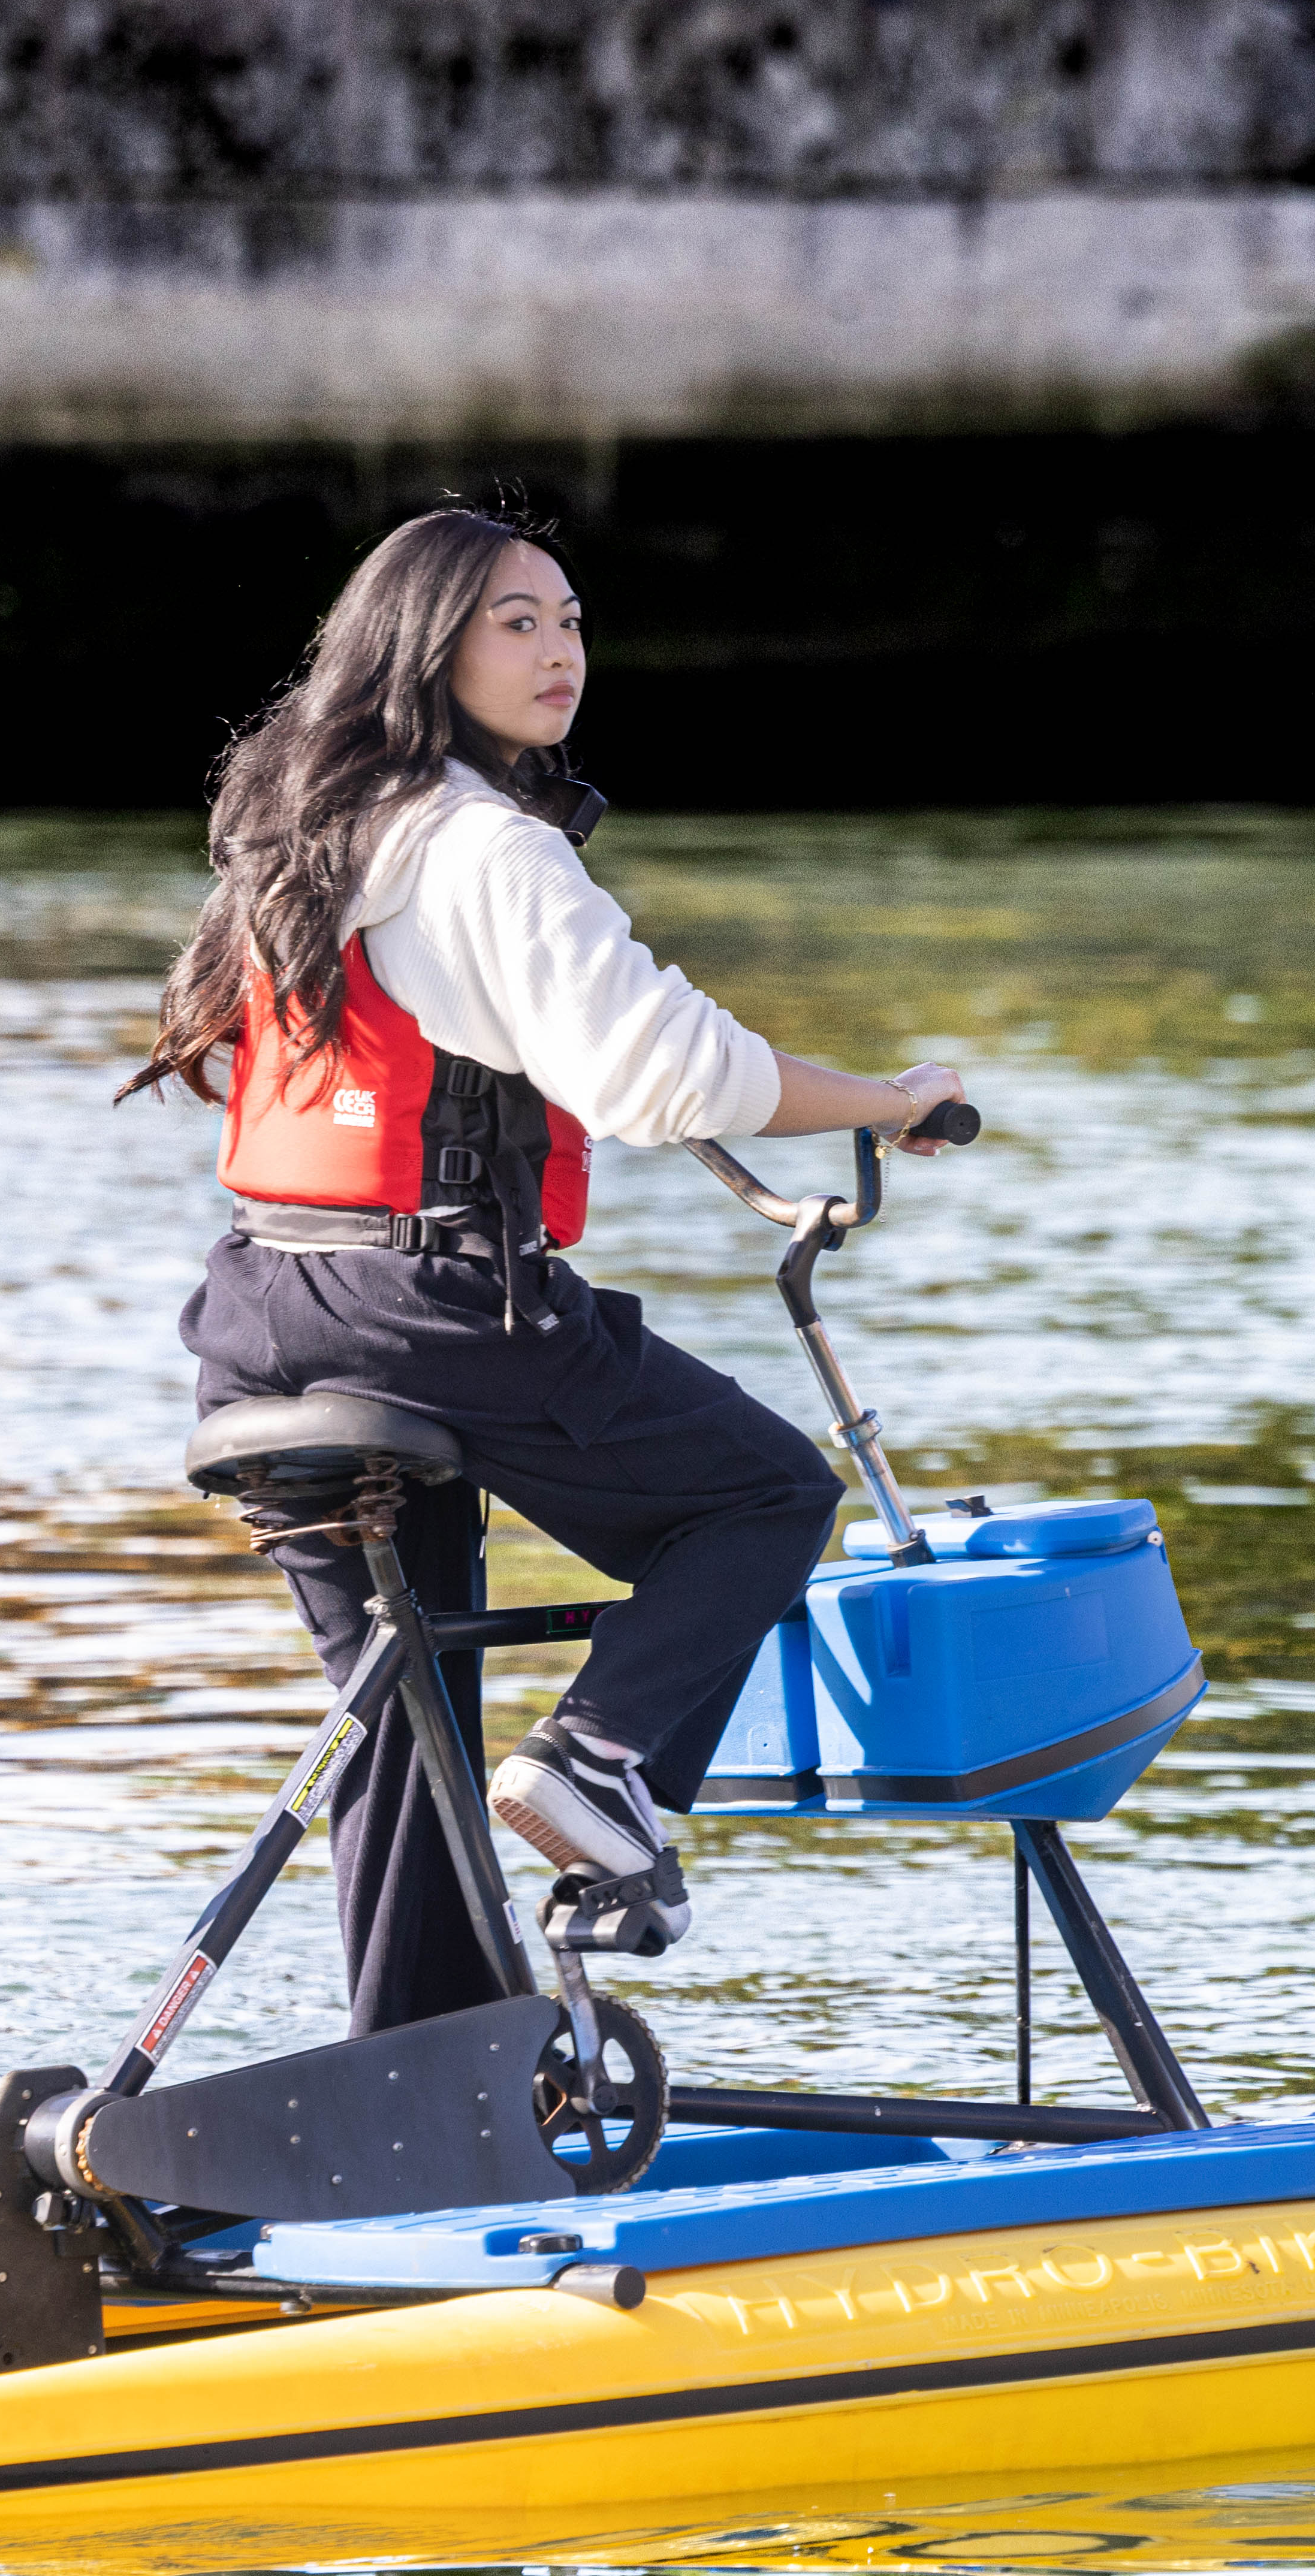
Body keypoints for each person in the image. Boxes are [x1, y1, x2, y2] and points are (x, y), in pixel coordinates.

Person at [121, 509, 975, 2034]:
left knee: (406, 1710)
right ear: (425, 646)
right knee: (762, 1495)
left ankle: (427, 2079)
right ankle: (595, 1763)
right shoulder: (486, 847)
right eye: (515, 621)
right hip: (429, 1312)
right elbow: (665, 1070)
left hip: (261, 1314)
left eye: (571, 618)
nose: (560, 647)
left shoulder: (304, 833)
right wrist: (884, 1102)